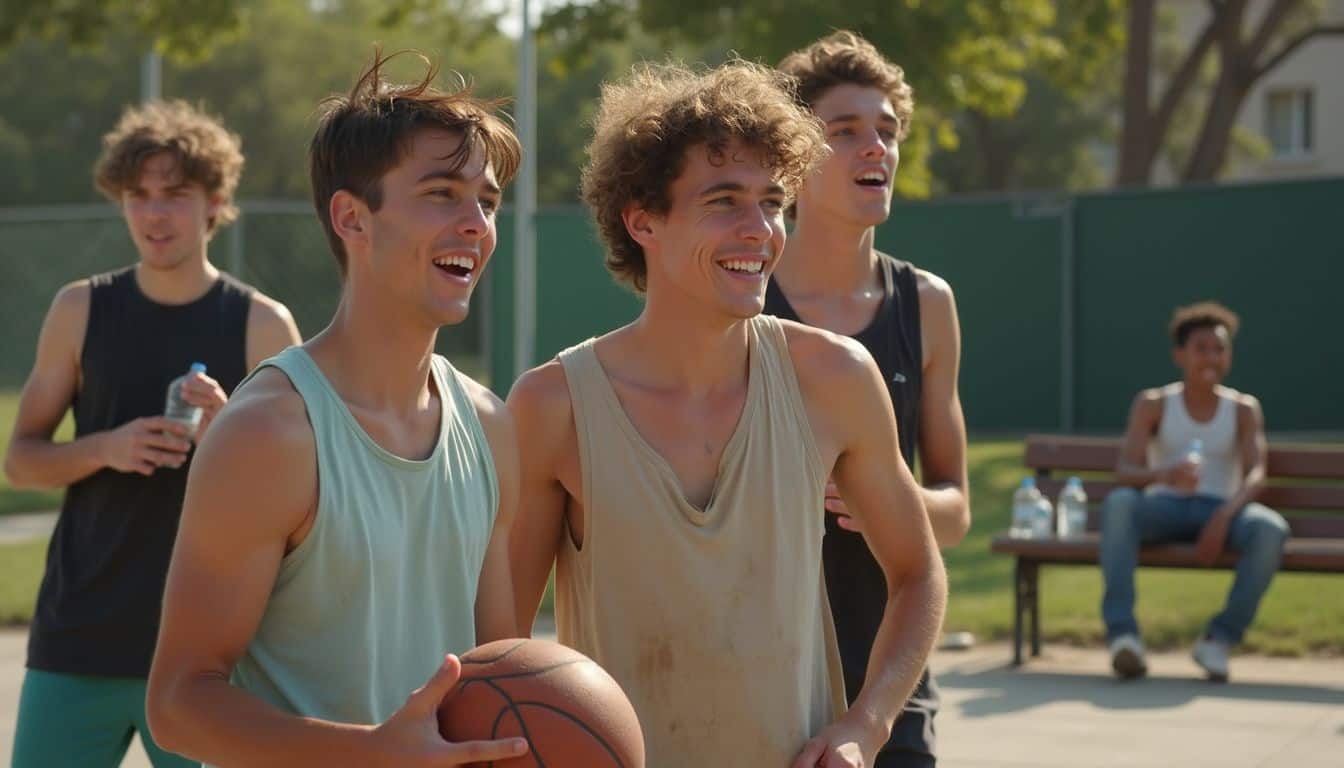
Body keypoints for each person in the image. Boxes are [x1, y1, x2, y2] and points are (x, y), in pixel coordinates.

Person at [508, 59, 947, 767]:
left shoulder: (833, 379)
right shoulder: (553, 405)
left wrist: (866, 725)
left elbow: (919, 574)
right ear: (642, 220)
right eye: (724, 202)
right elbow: (500, 639)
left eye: (773, 201)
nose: (760, 229)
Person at [144, 53, 531, 766]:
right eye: (443, 193)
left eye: (488, 199)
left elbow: (498, 680)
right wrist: (370, 753)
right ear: (353, 218)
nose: (476, 223)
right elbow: (177, 704)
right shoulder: (270, 432)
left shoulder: (489, 424)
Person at [3, 99, 300, 768]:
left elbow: (312, 494)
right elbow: (21, 462)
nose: (155, 213)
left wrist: (233, 432)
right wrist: (104, 447)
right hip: (79, 639)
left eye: (176, 194)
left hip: (209, 653)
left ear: (215, 202)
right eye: (138, 195)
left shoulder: (263, 325)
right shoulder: (81, 308)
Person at [768, 31, 970, 767]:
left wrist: (891, 498)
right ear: (794, 156)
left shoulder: (927, 304)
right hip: (764, 673)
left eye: (886, 131)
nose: (874, 148)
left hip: (888, 684)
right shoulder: (744, 293)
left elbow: (955, 508)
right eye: (845, 131)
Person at [1101, 301, 1287, 682]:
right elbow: (1125, 471)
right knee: (1119, 504)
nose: (1212, 357)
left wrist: (1224, 515)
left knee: (1271, 529)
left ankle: (1218, 640)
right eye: (1202, 348)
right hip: (1163, 509)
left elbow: (1256, 475)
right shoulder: (1153, 404)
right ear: (1179, 355)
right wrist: (1165, 475)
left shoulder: (1243, 409)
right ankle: (1124, 639)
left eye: (1220, 348)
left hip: (1222, 510)